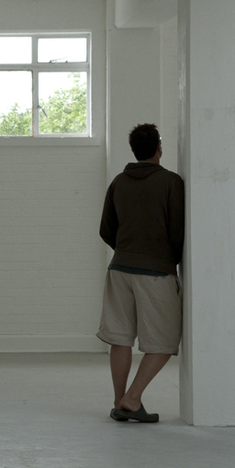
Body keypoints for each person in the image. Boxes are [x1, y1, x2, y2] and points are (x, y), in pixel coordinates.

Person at [97, 123, 185, 423]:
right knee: (164, 342)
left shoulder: (119, 182)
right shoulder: (171, 182)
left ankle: (119, 401)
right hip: (156, 272)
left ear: (133, 149)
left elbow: (106, 229)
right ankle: (132, 399)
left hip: (119, 269)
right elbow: (177, 232)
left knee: (120, 338)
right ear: (159, 147)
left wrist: (127, 250)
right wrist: (164, 259)